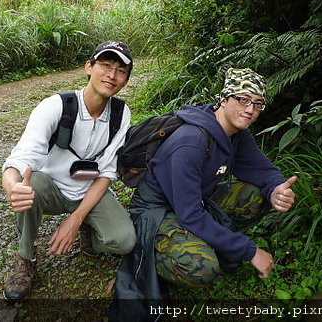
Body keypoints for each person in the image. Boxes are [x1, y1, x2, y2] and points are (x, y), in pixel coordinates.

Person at [107, 67, 297, 321]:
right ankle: (157, 255)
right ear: (224, 99)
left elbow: (261, 168)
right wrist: (249, 250)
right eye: (243, 99)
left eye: (258, 103)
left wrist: (276, 189)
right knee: (202, 269)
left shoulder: (237, 135)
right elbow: (191, 215)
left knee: (256, 195)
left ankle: (206, 242)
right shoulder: (192, 141)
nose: (250, 109)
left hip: (193, 202)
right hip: (159, 211)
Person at [1, 40, 137, 301]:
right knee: (30, 186)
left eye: (121, 71)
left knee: (124, 241)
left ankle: (86, 226)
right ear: (89, 67)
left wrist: (75, 220)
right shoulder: (56, 106)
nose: (112, 75)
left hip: (88, 190)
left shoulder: (121, 114)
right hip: (49, 187)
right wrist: (11, 185)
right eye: (106, 65)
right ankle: (25, 257)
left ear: (126, 81)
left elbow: (107, 172)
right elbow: (21, 157)